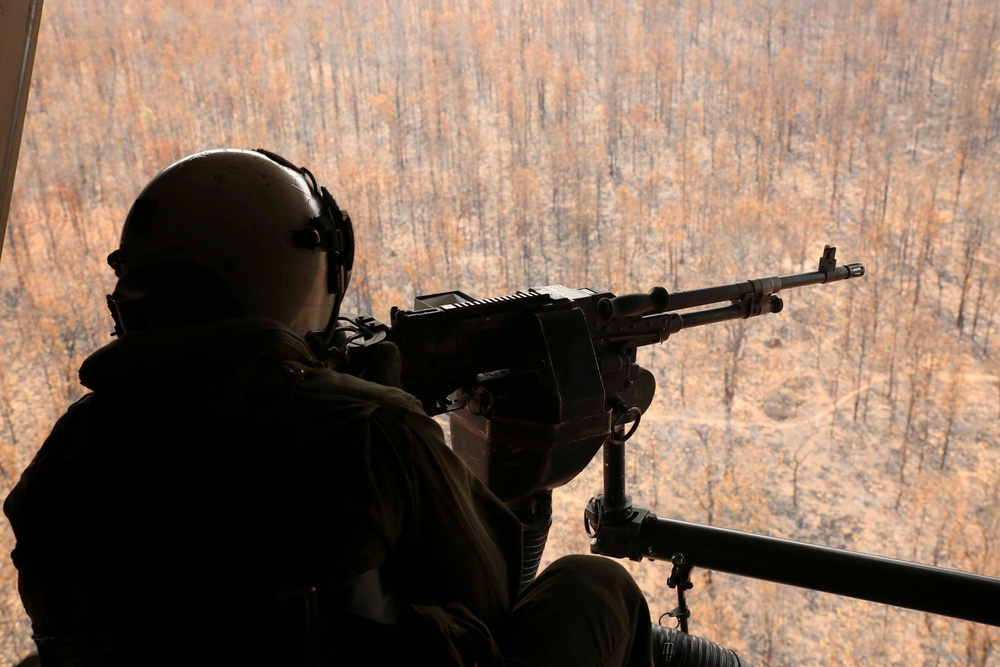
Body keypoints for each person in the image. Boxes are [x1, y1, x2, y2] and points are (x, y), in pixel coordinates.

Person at [4, 148, 657, 666]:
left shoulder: (59, 463)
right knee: (594, 587)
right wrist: (394, 411)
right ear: (302, 277)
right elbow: (490, 597)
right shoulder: (369, 428)